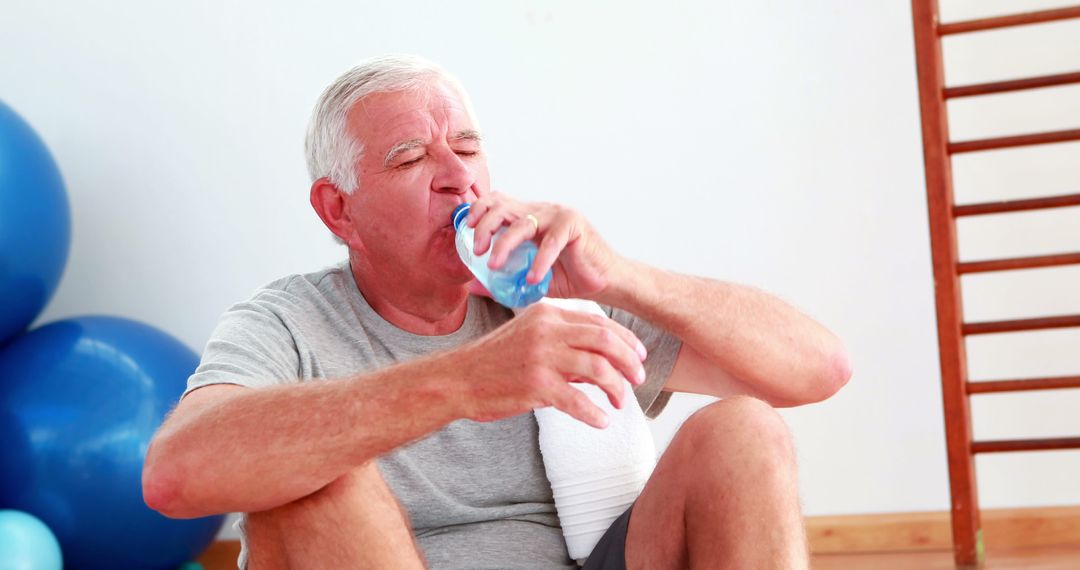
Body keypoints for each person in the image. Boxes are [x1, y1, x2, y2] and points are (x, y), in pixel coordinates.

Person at [142, 54, 851, 570]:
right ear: (340, 210)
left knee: (745, 430)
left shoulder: (546, 292)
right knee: (312, 485)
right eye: (413, 157)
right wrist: (464, 381)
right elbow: (175, 475)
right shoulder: (288, 321)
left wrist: (621, 276)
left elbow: (818, 369)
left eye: (470, 148)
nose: (457, 175)